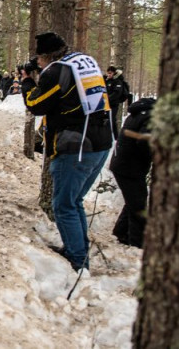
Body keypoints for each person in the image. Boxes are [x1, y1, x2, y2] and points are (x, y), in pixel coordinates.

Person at [21, 31, 113, 272]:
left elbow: (36, 104)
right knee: (74, 202)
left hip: (76, 146)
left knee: (63, 205)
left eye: (38, 59)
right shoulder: (84, 61)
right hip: (100, 142)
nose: (36, 63)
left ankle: (77, 260)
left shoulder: (56, 71)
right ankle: (77, 252)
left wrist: (27, 82)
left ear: (46, 56)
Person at [110, 97, 155, 248]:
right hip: (130, 167)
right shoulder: (150, 117)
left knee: (134, 201)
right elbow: (144, 142)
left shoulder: (140, 113)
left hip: (124, 164)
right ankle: (137, 244)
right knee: (138, 207)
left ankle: (120, 233)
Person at [105, 66, 129, 139]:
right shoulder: (107, 80)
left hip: (114, 104)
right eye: (108, 73)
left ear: (114, 73)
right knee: (109, 120)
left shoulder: (118, 81)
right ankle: (114, 137)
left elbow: (116, 93)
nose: (109, 74)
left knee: (111, 119)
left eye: (110, 73)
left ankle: (114, 137)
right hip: (106, 104)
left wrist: (107, 99)